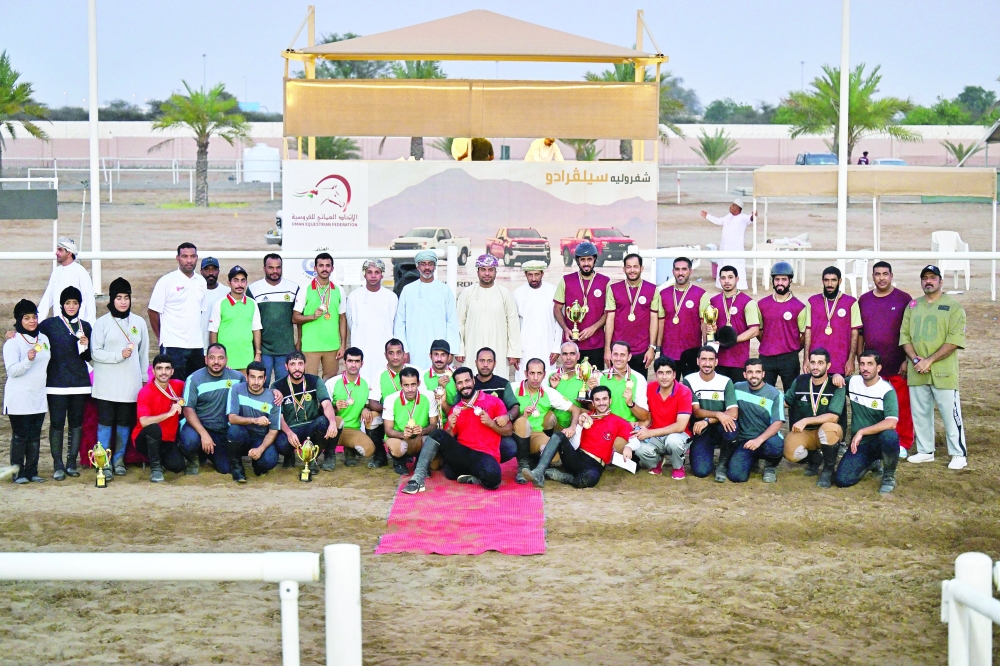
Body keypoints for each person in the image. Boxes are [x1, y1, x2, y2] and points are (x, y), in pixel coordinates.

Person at [402, 367, 512, 493]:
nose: (464, 385)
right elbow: (448, 438)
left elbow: (509, 431)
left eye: (467, 381)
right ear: (456, 386)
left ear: (474, 381)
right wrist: (450, 428)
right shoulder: (456, 409)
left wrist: (491, 423)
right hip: (462, 454)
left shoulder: (494, 402)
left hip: (485, 454)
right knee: (438, 434)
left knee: (494, 478)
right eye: (460, 383)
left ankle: (472, 477)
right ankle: (417, 479)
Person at [901, 264, 967, 469]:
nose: (928, 281)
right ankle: (925, 450)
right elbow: (905, 337)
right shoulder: (913, 305)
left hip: (943, 371)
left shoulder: (953, 306)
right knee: (920, 413)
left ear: (940, 281)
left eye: (932, 277)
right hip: (917, 370)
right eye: (925, 278)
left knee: (950, 413)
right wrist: (915, 360)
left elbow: (954, 340)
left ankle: (958, 453)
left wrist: (929, 361)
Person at [91, 277, 149, 478]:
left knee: (124, 423)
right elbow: (95, 353)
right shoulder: (102, 323)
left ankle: (118, 459)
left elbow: (143, 354)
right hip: (106, 385)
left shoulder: (139, 322)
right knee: (105, 423)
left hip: (130, 385)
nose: (123, 302)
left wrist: (143, 379)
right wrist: (118, 356)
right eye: (119, 297)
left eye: (126, 297)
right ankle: (103, 462)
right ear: (111, 299)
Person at [522, 385, 631, 489]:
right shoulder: (586, 417)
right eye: (597, 400)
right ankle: (539, 472)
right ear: (593, 402)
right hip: (576, 457)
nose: (601, 403)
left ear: (610, 401)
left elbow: (634, 436)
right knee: (558, 435)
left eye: (604, 399)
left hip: (595, 464)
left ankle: (565, 477)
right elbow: (574, 445)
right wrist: (579, 426)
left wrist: (629, 447)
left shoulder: (617, 421)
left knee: (590, 479)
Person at [857, 261, 914, 457]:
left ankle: (904, 443)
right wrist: (859, 359)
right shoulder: (864, 300)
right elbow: (860, 333)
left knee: (901, 406)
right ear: (872, 277)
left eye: (885, 274)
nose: (881, 278)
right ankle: (876, 441)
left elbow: (909, 332)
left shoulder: (904, 299)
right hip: (873, 368)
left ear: (891, 275)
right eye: (877, 274)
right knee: (875, 406)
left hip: (897, 364)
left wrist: (907, 359)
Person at [37, 286, 92, 480]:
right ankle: (57, 464)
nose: (71, 306)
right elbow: (30, 332)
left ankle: (71, 463)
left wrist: (86, 345)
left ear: (79, 305)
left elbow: (88, 357)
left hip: (79, 382)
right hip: (56, 383)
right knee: (58, 424)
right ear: (61, 305)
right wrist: (13, 334)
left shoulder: (86, 326)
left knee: (76, 424)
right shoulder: (49, 325)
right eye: (68, 303)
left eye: (75, 303)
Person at [836, 350, 900, 493]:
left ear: (878, 368)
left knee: (890, 436)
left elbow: (891, 422)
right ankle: (872, 463)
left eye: (870, 364)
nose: (865, 368)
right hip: (860, 444)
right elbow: (837, 381)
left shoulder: (886, 390)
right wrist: (836, 375)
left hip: (879, 441)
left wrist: (862, 431)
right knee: (842, 481)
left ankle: (889, 475)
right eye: (862, 364)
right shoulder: (853, 382)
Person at [178, 343, 246, 475]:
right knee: (190, 441)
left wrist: (274, 392)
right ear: (206, 359)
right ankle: (193, 459)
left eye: (220, 358)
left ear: (226, 359)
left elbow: (252, 393)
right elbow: (187, 409)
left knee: (225, 469)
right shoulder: (194, 379)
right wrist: (204, 434)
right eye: (212, 358)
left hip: (222, 430)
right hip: (198, 427)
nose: (216, 362)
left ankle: (207, 454)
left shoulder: (237, 378)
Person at [783, 349, 846, 488]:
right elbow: (786, 402)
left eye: (820, 363)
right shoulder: (800, 381)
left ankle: (828, 470)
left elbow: (833, 417)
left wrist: (805, 420)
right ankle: (815, 459)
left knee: (829, 427)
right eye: (812, 362)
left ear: (828, 366)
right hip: (808, 433)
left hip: (829, 430)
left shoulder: (836, 384)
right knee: (789, 451)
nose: (815, 367)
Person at [4, 299, 51, 483]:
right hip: (19, 397)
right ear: (19, 320)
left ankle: (32, 471)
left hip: (38, 395)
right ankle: (17, 472)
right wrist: (28, 360)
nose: (32, 321)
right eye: (26, 318)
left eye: (34, 317)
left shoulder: (44, 339)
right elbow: (13, 371)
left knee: (34, 436)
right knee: (20, 436)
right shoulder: (13, 342)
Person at [512, 357, 579, 483]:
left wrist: (572, 427)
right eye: (532, 373)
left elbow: (575, 409)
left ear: (544, 375)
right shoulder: (513, 388)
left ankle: (538, 469)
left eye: (539, 373)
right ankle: (522, 467)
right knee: (522, 422)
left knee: (554, 457)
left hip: (536, 434)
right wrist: (524, 415)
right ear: (526, 373)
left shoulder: (548, 392)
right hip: (516, 435)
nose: (535, 378)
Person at [148, 242, 208, 381]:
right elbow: (153, 311)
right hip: (173, 345)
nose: (189, 260)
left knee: (194, 388)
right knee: (175, 388)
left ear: (197, 258)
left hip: (196, 345)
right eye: (185, 256)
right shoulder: (166, 281)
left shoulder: (201, 281)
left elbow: (199, 312)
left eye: (192, 256)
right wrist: (161, 336)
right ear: (177, 258)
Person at [274, 351, 340, 473]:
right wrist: (288, 433)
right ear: (286, 366)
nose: (297, 368)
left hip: (311, 426)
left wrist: (332, 422)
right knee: (281, 444)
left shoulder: (315, 381)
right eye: (292, 364)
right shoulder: (277, 386)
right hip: (291, 428)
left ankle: (311, 459)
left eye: (300, 364)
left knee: (324, 422)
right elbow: (279, 415)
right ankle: (289, 456)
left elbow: (326, 404)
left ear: (305, 365)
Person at [393, 250, 460, 369]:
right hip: (413, 347)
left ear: (435, 266)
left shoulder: (444, 290)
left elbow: (452, 322)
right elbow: (400, 322)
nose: (427, 267)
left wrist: (451, 350)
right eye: (423, 264)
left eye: (430, 264)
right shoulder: (408, 290)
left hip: (440, 349)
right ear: (417, 266)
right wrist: (403, 350)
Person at [627, 356, 692, 479]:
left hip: (678, 434)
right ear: (655, 375)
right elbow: (647, 416)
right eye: (660, 373)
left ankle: (678, 466)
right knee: (638, 446)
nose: (664, 376)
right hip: (655, 435)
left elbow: (680, 426)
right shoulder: (649, 388)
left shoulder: (684, 392)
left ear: (674, 374)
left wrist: (650, 432)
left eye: (668, 373)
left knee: (673, 441)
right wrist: (640, 425)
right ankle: (656, 462)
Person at [456, 254, 521, 375]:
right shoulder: (467, 293)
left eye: (490, 270)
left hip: (499, 347)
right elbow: (460, 322)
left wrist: (513, 352)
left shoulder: (505, 294)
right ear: (477, 271)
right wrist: (460, 350)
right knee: (472, 381)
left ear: (495, 272)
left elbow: (513, 323)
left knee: (498, 381)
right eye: (483, 270)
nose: (487, 273)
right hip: (472, 347)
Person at [683, 346, 739, 481]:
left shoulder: (726, 381)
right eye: (703, 359)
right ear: (697, 361)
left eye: (711, 360)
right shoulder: (689, 380)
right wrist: (719, 414)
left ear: (716, 362)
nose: (707, 363)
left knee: (732, 427)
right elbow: (696, 412)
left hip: (718, 425)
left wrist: (709, 420)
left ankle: (722, 464)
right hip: (702, 429)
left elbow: (733, 413)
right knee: (701, 471)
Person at [726, 358, 785, 483]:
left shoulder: (775, 394)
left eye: (758, 372)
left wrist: (759, 440)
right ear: (744, 374)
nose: (754, 376)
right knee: (736, 476)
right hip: (745, 441)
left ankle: (770, 466)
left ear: (763, 374)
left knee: (775, 445)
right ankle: (752, 460)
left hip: (766, 438)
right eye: (750, 372)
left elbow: (778, 422)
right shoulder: (736, 388)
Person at [554, 242, 610, 369]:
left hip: (596, 344)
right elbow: (557, 309)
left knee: (594, 381)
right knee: (572, 380)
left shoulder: (605, 282)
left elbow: (609, 312)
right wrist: (566, 329)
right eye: (582, 259)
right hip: (571, 344)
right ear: (577, 261)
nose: (586, 263)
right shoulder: (566, 280)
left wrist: (594, 328)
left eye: (589, 259)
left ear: (595, 259)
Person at [133, 354, 187, 482]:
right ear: (153, 371)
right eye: (159, 368)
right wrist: (169, 414)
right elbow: (144, 421)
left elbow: (195, 383)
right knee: (154, 428)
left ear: (172, 371)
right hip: (144, 438)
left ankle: (159, 458)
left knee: (177, 466)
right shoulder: (145, 392)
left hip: (167, 439)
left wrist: (228, 371)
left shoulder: (178, 385)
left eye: (167, 368)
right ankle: (155, 469)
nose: (163, 372)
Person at [225, 361, 283, 482]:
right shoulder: (236, 389)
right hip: (243, 434)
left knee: (269, 461)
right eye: (252, 377)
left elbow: (273, 431)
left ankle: (258, 464)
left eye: (260, 378)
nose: (256, 382)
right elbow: (232, 418)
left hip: (261, 438)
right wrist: (255, 420)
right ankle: (237, 467)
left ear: (265, 379)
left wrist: (260, 449)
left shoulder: (274, 398)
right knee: (233, 430)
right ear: (246, 377)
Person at [249, 253, 300, 386]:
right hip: (263, 350)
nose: (275, 271)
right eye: (271, 267)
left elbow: (298, 317)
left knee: (283, 385)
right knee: (261, 385)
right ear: (264, 268)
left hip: (286, 349)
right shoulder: (253, 289)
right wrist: (255, 349)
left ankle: (281, 408)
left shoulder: (293, 288)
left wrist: (299, 341)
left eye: (278, 267)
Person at [293, 252, 347, 380]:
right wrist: (312, 316)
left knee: (330, 382)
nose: (324, 269)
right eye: (321, 265)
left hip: (332, 346)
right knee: (309, 382)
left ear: (332, 269)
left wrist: (343, 345)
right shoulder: (305, 289)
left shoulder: (339, 290)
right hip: (310, 346)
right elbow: (295, 317)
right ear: (315, 268)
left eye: (328, 266)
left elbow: (342, 318)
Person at [346, 258, 398, 388]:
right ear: (364, 274)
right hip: (361, 343)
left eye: (377, 272)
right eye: (369, 272)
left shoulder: (391, 296)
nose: (373, 275)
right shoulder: (354, 296)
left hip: (384, 345)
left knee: (382, 379)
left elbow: (394, 322)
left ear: (382, 274)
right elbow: (351, 322)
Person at [605, 253, 659, 375]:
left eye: (635, 267)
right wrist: (607, 348)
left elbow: (654, 319)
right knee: (616, 386)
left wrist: (652, 347)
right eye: (628, 267)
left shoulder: (652, 289)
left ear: (642, 268)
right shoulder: (614, 289)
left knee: (638, 387)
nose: (632, 270)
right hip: (618, 350)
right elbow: (610, 319)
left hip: (641, 349)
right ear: (624, 269)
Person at [704, 265, 760, 383]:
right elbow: (709, 329)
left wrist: (732, 340)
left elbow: (754, 330)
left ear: (737, 279)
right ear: (719, 281)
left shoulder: (747, 302)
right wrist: (711, 329)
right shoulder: (713, 301)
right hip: (718, 359)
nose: (727, 281)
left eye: (730, 277)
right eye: (723, 278)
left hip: (739, 360)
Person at [803, 266, 861, 378]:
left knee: (838, 395)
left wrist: (851, 360)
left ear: (840, 281)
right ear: (822, 281)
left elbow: (855, 333)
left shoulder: (851, 302)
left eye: (833, 280)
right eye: (826, 280)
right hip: (817, 361)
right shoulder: (812, 301)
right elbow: (808, 331)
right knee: (817, 395)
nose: (830, 284)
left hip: (841, 362)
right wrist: (806, 358)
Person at [756, 261, 806, 391]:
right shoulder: (762, 304)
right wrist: (769, 343)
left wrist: (792, 348)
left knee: (792, 395)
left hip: (789, 358)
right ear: (773, 280)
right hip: (766, 358)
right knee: (765, 395)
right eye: (777, 279)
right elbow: (758, 330)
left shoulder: (799, 307)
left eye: (784, 279)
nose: (780, 283)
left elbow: (805, 335)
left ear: (790, 281)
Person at [325, 347, 377, 466]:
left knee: (369, 450)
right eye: (350, 361)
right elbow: (321, 409)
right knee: (338, 420)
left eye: (357, 361)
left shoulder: (367, 382)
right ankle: (329, 454)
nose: (353, 365)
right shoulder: (332, 383)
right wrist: (335, 407)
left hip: (352, 429)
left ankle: (350, 450)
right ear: (344, 362)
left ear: (362, 363)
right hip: (333, 428)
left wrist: (366, 408)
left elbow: (369, 404)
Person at [657, 257, 707, 378]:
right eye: (677, 269)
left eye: (684, 269)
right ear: (673, 271)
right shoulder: (663, 294)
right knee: (668, 389)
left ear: (690, 271)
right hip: (668, 351)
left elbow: (704, 323)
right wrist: (657, 347)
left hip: (691, 351)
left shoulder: (700, 294)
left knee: (691, 390)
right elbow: (660, 322)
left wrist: (705, 346)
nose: (680, 273)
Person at [368, 339, 413, 474]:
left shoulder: (413, 371)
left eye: (398, 352)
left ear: (404, 354)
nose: (395, 357)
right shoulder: (379, 375)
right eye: (391, 353)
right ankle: (380, 455)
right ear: (385, 355)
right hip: (387, 417)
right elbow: (373, 403)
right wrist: (391, 411)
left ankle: (408, 453)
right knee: (371, 417)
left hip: (411, 417)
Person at [512, 260, 560, 383]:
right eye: (530, 275)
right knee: (523, 379)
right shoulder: (517, 293)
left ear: (542, 274)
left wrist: (556, 348)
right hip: (524, 348)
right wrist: (514, 351)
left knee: (547, 379)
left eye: (537, 274)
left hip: (547, 346)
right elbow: (513, 325)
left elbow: (559, 322)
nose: (533, 278)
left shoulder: (553, 291)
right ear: (525, 275)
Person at [208, 265, 262, 373]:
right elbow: (213, 332)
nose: (239, 284)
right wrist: (217, 358)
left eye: (243, 281)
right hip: (225, 363)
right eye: (236, 280)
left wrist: (257, 354)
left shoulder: (252, 304)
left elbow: (256, 330)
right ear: (229, 283)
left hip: (247, 361)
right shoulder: (219, 304)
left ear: (246, 283)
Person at [382, 367, 439, 464]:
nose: (410, 389)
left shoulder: (429, 396)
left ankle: (420, 461)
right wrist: (402, 434)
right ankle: (399, 462)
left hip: (420, 437)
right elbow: (388, 430)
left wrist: (423, 430)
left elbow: (434, 425)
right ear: (400, 385)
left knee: (431, 445)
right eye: (406, 385)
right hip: (399, 438)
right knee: (397, 447)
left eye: (413, 385)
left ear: (419, 383)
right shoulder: (390, 399)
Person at [38, 236, 96, 324]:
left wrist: (89, 325)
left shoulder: (80, 271)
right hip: (59, 325)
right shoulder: (56, 272)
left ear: (69, 253)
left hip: (78, 326)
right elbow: (47, 298)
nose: (56, 253)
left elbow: (89, 300)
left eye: (60, 250)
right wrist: (37, 321)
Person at [699, 199, 755, 290]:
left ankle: (739, 286)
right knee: (723, 266)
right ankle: (722, 285)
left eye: (733, 205)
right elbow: (718, 221)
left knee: (737, 267)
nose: (730, 207)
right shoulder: (728, 217)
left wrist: (753, 215)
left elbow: (751, 218)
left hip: (736, 249)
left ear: (738, 208)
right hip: (725, 248)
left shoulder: (743, 218)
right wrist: (707, 216)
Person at [595, 341, 650, 427]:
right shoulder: (599, 376)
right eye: (615, 354)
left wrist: (630, 403)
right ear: (611, 355)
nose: (618, 358)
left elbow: (645, 416)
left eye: (622, 355)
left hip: (628, 426)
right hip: (604, 425)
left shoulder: (639, 379)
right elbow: (592, 408)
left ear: (629, 357)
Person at [546, 342, 588, 431]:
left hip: (578, 425)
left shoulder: (586, 375)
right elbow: (542, 404)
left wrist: (589, 396)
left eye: (572, 354)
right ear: (560, 356)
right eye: (565, 354)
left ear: (578, 356)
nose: (568, 358)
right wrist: (553, 389)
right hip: (556, 424)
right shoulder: (551, 375)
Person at [199, 257, 228, 353]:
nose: (211, 273)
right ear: (201, 271)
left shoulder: (227, 292)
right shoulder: (194, 291)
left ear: (218, 271)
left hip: (220, 348)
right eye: (207, 269)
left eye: (214, 269)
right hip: (197, 346)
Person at [423, 339, 459, 408]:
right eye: (436, 354)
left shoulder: (457, 374)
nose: (439, 359)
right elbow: (423, 404)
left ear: (449, 357)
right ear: (430, 356)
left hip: (453, 417)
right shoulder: (422, 376)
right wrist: (440, 388)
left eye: (443, 355)